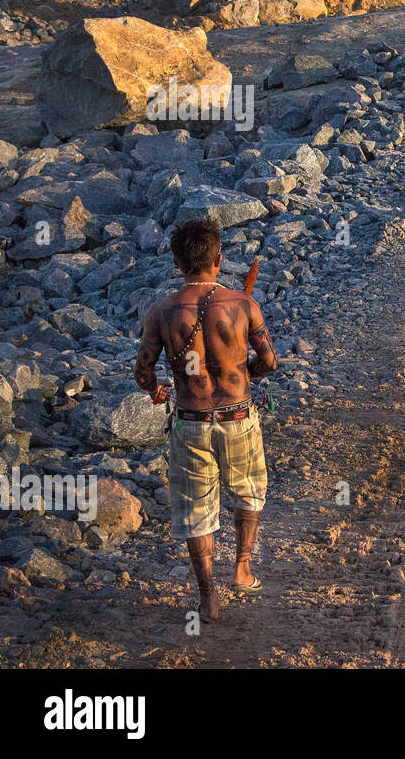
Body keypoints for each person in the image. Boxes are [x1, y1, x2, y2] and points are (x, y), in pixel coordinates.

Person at [134, 217, 277, 623]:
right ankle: (243, 569)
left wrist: (156, 389)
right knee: (249, 491)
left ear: (178, 263)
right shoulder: (243, 304)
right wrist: (243, 371)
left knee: (196, 509)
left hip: (190, 421)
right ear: (219, 260)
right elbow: (269, 360)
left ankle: (208, 598)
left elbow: (143, 371)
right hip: (238, 417)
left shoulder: (161, 311)